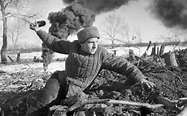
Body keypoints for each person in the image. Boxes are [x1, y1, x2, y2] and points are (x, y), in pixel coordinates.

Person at [25, 22, 155, 116]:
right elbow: (53, 42)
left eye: (96, 41)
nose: (94, 45)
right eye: (90, 42)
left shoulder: (101, 54)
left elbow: (123, 64)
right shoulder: (73, 47)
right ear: (81, 43)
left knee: (71, 111)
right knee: (42, 106)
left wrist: (141, 78)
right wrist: (38, 30)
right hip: (59, 81)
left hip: (78, 90)